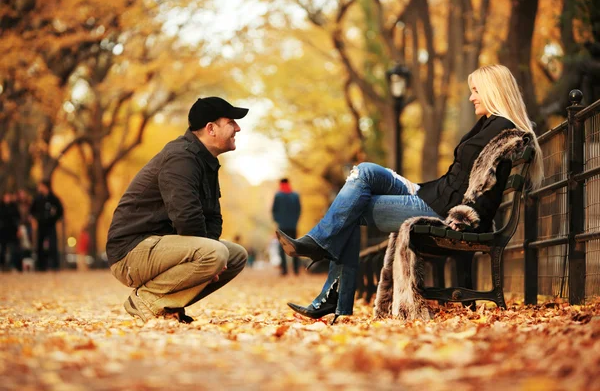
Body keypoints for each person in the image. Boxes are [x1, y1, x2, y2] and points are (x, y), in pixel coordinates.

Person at [277, 65, 544, 323]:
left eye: (476, 90)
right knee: (365, 171)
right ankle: (320, 249)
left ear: (493, 91)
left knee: (350, 208)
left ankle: (329, 283)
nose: (471, 96)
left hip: (439, 209)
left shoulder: (501, 131)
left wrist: (463, 219)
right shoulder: (489, 125)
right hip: (429, 193)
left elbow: (484, 192)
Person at [107, 96, 249, 323]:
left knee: (235, 255)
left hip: (161, 247)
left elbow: (213, 218)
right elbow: (187, 217)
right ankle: (146, 301)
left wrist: (212, 263)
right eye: (231, 122)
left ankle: (168, 307)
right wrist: (209, 257)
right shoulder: (180, 158)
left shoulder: (205, 161)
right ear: (211, 129)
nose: (238, 127)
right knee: (216, 253)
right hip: (131, 253)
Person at [30, 182, 64, 271]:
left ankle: (55, 265)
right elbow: (32, 211)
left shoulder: (54, 198)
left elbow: (60, 211)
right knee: (40, 245)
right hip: (41, 225)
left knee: (53, 245)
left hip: (51, 225)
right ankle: (41, 266)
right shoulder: (37, 199)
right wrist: (35, 219)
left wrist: (55, 218)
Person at [272, 178, 302, 275]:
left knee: (282, 247)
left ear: (281, 184)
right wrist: (295, 220)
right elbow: (299, 209)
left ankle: (284, 271)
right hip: (293, 225)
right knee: (295, 246)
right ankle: (296, 270)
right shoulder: (295, 195)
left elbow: (274, 210)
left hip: (282, 225)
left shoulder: (278, 195)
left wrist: (278, 221)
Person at [0, 192, 20, 271]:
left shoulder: (13, 206)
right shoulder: (1, 206)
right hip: (2, 230)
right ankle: (2, 265)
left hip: (12, 231)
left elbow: (17, 218)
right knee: (2, 249)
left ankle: (13, 265)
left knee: (13, 249)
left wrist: (18, 229)